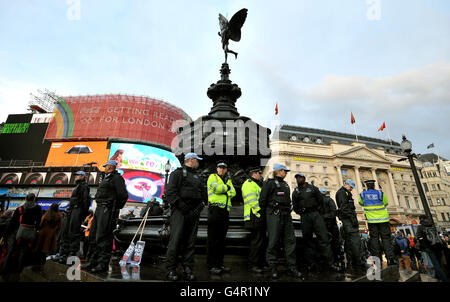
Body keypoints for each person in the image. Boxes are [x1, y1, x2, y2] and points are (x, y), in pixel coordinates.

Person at [164, 153, 206, 281]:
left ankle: (188, 268)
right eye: (197, 160)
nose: (198, 162)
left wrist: (199, 207)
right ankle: (171, 269)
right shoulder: (177, 173)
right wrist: (181, 206)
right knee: (175, 240)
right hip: (180, 212)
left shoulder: (198, 176)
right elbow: (170, 192)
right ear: (191, 160)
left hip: (193, 213)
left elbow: (204, 195)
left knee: (190, 242)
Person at [81, 160, 128, 273]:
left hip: (107, 210)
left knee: (103, 237)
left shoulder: (117, 178)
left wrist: (113, 207)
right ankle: (92, 261)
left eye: (106, 166)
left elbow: (123, 195)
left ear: (111, 167)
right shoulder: (106, 178)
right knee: (93, 236)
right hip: (100, 209)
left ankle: (102, 264)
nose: (104, 168)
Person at [260, 164, 302, 279]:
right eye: (284, 171)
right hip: (274, 215)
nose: (286, 173)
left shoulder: (285, 184)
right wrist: (265, 218)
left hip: (286, 215)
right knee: (273, 241)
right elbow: (262, 201)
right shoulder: (269, 183)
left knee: (290, 241)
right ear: (278, 171)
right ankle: (272, 267)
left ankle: (291, 267)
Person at [292, 174, 334, 272]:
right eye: (297, 178)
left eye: (300, 177)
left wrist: (318, 213)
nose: (298, 179)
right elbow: (295, 205)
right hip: (305, 216)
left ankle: (330, 263)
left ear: (304, 178)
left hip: (316, 215)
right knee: (307, 241)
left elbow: (321, 201)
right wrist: (301, 213)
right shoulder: (296, 192)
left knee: (324, 238)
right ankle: (311, 264)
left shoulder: (313, 188)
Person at [207, 161, 236, 275]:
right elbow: (217, 189)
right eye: (220, 167)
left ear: (226, 169)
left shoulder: (227, 180)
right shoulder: (212, 177)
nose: (222, 170)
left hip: (225, 211)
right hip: (215, 210)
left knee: (221, 240)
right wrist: (227, 189)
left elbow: (233, 193)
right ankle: (211, 265)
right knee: (212, 239)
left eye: (224, 168)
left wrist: (225, 189)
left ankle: (219, 264)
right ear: (217, 168)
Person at [358, 180, 397, 266]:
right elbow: (386, 203)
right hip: (383, 219)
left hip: (371, 221)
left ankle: (377, 259)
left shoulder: (362, 194)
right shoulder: (380, 193)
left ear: (366, 186)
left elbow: (361, 203)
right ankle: (390, 259)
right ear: (374, 186)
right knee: (386, 239)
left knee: (374, 239)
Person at [5, 193, 42, 275]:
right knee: (24, 251)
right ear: (34, 199)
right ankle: (19, 271)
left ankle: (6, 270)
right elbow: (39, 221)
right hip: (30, 233)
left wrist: (7, 234)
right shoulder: (38, 208)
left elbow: (12, 222)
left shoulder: (20, 209)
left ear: (25, 199)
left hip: (18, 232)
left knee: (11, 251)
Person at [58, 171, 91, 263]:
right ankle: (64, 254)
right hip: (72, 210)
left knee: (73, 232)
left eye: (77, 175)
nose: (75, 177)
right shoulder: (78, 186)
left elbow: (85, 201)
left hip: (77, 210)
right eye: (75, 175)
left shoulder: (84, 186)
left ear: (83, 176)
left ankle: (71, 255)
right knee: (66, 232)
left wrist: (82, 213)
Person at [336, 179, 366, 271]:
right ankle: (359, 261)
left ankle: (351, 261)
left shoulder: (345, 193)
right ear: (347, 184)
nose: (352, 189)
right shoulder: (342, 193)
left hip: (348, 220)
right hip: (348, 220)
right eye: (351, 187)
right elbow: (344, 208)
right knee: (355, 241)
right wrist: (352, 219)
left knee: (349, 241)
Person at [242, 167, 266, 273]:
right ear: (253, 174)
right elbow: (252, 200)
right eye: (258, 173)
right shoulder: (249, 184)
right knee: (256, 241)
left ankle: (259, 263)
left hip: (256, 215)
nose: (260, 175)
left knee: (259, 240)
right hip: (254, 215)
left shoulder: (256, 184)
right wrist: (260, 211)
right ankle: (253, 265)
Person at [416, 215, 448, 282]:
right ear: (426, 219)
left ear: (420, 220)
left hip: (429, 247)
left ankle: (444, 279)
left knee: (436, 265)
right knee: (439, 263)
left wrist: (424, 246)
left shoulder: (420, 227)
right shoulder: (432, 225)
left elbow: (418, 238)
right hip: (438, 246)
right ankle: (438, 277)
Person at [319, 188, 345, 270]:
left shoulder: (319, 202)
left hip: (325, 225)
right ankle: (337, 259)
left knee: (328, 243)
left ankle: (331, 260)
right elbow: (334, 212)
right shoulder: (329, 200)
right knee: (335, 242)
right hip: (331, 225)